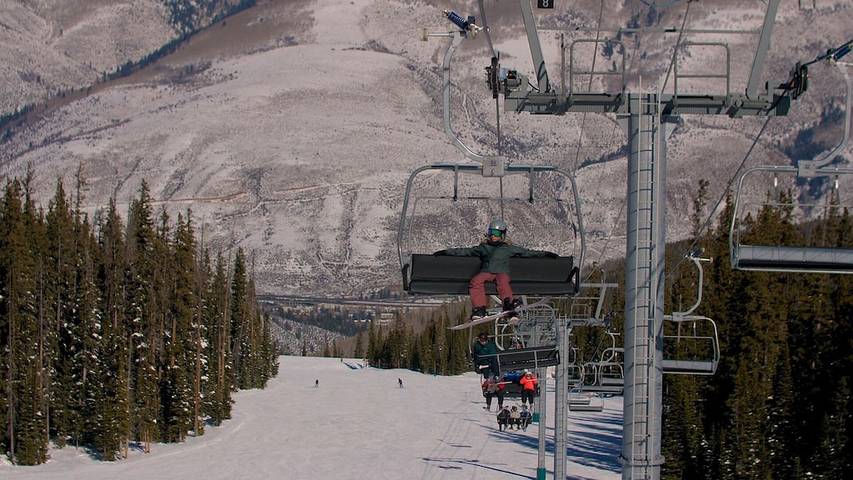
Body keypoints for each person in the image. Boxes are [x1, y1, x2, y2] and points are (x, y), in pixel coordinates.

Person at [434, 220, 558, 320]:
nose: (493, 236)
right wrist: (447, 252)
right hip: (487, 272)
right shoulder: (484, 248)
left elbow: (528, 253)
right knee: (476, 281)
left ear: (502, 235)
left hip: (501, 272)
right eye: (491, 232)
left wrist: (545, 254)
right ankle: (479, 308)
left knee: (503, 282)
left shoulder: (508, 248)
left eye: (497, 233)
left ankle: (508, 304)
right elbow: (466, 251)